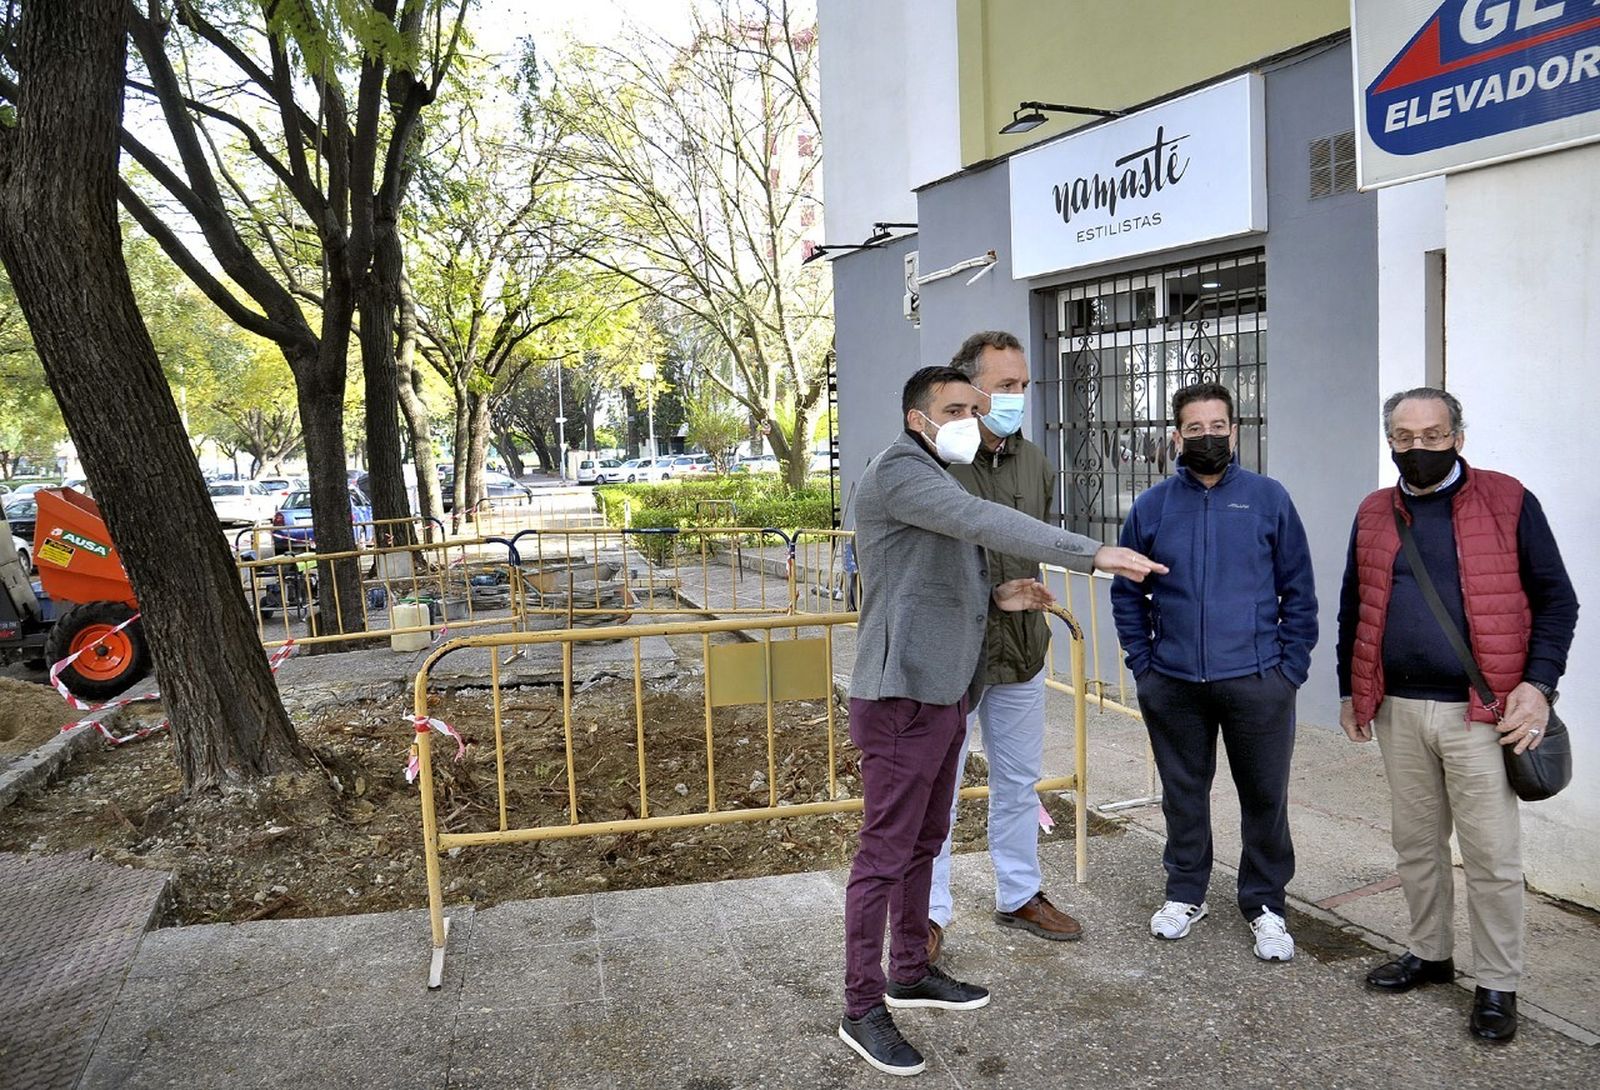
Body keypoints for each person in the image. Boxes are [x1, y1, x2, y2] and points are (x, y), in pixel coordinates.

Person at [840, 365, 1165, 1077]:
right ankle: (862, 1005)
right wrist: (1091, 552)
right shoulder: (899, 470)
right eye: (955, 408)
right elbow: (984, 521)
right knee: (884, 855)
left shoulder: (933, 474)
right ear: (916, 417)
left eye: (976, 408)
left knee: (925, 841)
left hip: (946, 688)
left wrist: (996, 594)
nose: (972, 419)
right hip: (901, 695)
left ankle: (908, 970)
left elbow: (926, 576)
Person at [1336, 387, 1577, 1043]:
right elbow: (1355, 606)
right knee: (1415, 846)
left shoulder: (1508, 499)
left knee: (1492, 857)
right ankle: (1430, 953)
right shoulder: (1373, 511)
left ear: (1458, 438)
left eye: (1433, 435)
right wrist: (1349, 690)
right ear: (1391, 442)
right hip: (1396, 710)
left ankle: (1498, 983)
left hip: (1482, 714)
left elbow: (1558, 601)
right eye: (1406, 438)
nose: (1419, 448)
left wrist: (1539, 686)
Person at [1110, 381, 1317, 963]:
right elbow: (1129, 593)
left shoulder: (1268, 498)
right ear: (1176, 436)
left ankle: (1266, 903)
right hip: (1173, 682)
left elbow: (1298, 591)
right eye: (1194, 429)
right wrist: (1144, 665)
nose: (1207, 437)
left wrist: (1289, 669)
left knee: (1264, 796)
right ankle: (1184, 892)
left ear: (1235, 430)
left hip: (1257, 681)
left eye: (1217, 427)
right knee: (1183, 793)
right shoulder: (1152, 507)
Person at [926, 332, 1081, 964]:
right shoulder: (935, 460)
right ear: (969, 389)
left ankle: (1019, 893)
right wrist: (990, 594)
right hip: (953, 654)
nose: (1016, 396)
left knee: (1019, 781)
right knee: (939, 784)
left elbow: (1033, 546)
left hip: (1019, 649)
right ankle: (927, 913)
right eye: (1003, 386)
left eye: (1023, 385)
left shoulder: (1034, 462)